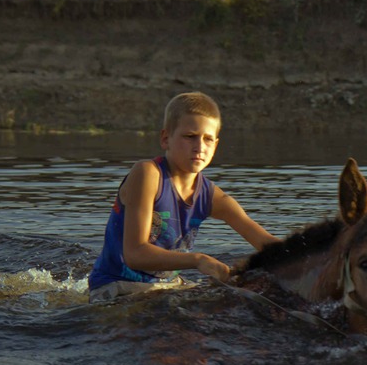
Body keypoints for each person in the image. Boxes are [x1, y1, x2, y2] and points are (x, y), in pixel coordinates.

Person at [88, 92, 279, 302]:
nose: (199, 147)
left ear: (215, 145)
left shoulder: (212, 196)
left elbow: (268, 245)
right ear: (165, 138)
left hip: (166, 287)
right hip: (115, 286)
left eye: (207, 139)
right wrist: (198, 260)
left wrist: (315, 257)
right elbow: (134, 254)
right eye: (190, 137)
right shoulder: (148, 173)